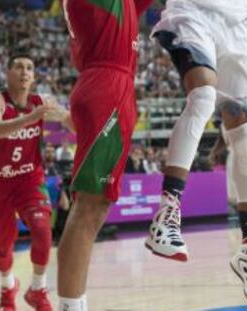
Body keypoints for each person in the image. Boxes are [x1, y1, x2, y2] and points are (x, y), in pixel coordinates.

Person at [145, 1, 247, 306]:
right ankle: (166, 214)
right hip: (193, 10)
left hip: (236, 22)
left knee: (243, 131)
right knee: (203, 95)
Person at [57, 1, 153, 310]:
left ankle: (76, 302)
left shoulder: (120, 7)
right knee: (88, 207)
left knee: (94, 208)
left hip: (113, 84)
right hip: (107, 85)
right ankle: (70, 305)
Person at [0, 51, 73, 311]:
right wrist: (29, 119)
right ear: (7, 73)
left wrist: (93, 124)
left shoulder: (41, 101)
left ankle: (37, 290)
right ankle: (8, 287)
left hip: (29, 179)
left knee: (43, 231)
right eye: (18, 67)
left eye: (29, 68)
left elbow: (68, 120)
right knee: (3, 245)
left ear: (33, 77)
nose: (24, 72)